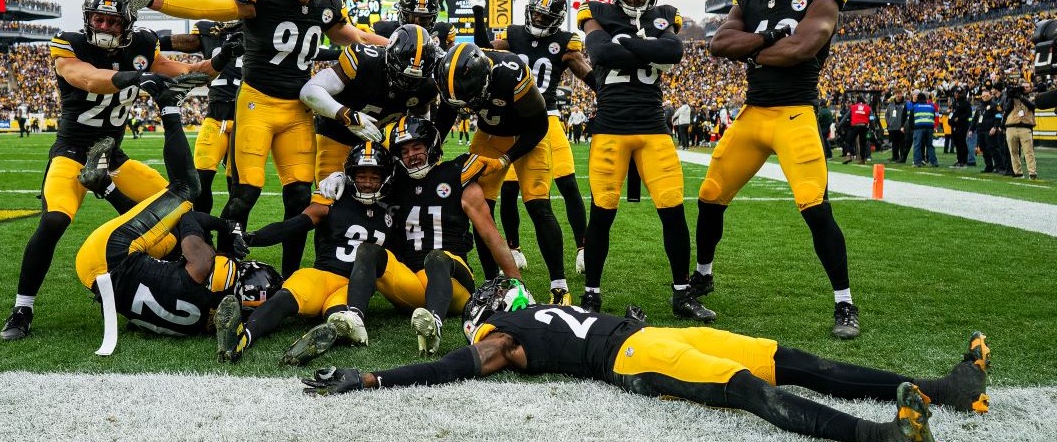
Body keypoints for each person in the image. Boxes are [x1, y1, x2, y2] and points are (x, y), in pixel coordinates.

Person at [302, 278, 990, 442]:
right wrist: (373, 378)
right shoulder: (502, 337)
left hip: (644, 334)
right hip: (631, 356)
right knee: (743, 385)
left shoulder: (520, 315)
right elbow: (455, 368)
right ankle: (884, 434)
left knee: (791, 357)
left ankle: (942, 388)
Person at [130, 0, 387, 277]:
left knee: (298, 197)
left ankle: (290, 275)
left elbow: (353, 36)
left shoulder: (326, 4)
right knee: (245, 192)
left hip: (298, 109)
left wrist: (402, 41)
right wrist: (156, 0)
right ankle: (223, 270)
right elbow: (213, 6)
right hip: (257, 104)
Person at [0, 0, 226, 341]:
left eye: (112, 22)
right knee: (56, 218)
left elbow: (184, 72)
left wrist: (221, 60)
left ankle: (180, 283)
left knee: (180, 207)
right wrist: (136, 76)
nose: (103, 27)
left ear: (128, 23)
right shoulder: (69, 43)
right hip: (73, 152)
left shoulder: (143, 45)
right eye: (98, 20)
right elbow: (86, 78)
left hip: (113, 154)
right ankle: (22, 308)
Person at [699, 0, 859, 338]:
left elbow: (803, 47)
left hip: (795, 114)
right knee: (710, 197)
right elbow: (718, 44)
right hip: (753, 115)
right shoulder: (745, 0)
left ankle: (844, 301)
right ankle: (702, 275)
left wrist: (749, 48)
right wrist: (766, 42)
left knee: (814, 205)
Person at [299, 117, 526, 362]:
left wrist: (516, 281)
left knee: (436, 257)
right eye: (404, 151)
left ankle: (434, 324)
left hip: (454, 285)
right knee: (368, 249)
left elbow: (491, 236)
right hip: (411, 282)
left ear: (432, 147)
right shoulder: (394, 183)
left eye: (417, 147)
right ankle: (355, 317)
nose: (411, 155)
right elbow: (365, 181)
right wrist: (341, 176)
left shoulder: (456, 177)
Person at [576, 0, 708, 322]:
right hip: (611, 128)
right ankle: (592, 294)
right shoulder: (595, 11)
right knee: (602, 213)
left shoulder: (665, 15)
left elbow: (674, 51)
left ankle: (682, 294)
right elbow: (600, 52)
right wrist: (648, 50)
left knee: (673, 211)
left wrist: (627, 44)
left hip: (653, 129)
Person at [73, 75, 253, 336]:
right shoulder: (198, 326)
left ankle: (169, 107)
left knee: (186, 191)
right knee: (166, 236)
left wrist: (227, 227)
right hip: (96, 281)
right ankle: (106, 187)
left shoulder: (202, 267)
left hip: (108, 252)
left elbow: (192, 221)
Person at [214, 142, 397, 364]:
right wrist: (253, 237)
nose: (367, 183)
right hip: (321, 275)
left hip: (353, 287)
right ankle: (240, 339)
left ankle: (306, 345)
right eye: (361, 176)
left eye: (374, 177)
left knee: (341, 321)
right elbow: (294, 225)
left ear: (386, 178)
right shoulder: (333, 198)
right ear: (350, 175)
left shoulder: (392, 211)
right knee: (283, 298)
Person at [473, 0, 594, 280]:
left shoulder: (566, 42)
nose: (539, 19)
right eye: (537, 13)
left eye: (546, 16)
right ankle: (513, 247)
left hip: (547, 117)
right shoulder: (514, 35)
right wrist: (478, 15)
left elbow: (585, 71)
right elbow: (484, 48)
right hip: (512, 118)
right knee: (511, 189)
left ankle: (583, 247)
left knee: (567, 183)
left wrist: (608, 91)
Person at [434, 43, 561, 303]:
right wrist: (433, 148)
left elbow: (539, 125)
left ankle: (559, 285)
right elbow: (445, 116)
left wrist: (506, 159)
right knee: (479, 208)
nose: (466, 105)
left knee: (538, 205)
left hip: (527, 136)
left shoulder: (510, 72)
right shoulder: (449, 78)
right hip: (489, 135)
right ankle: (492, 284)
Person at [300, 23, 441, 184]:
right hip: (336, 133)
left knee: (390, 192)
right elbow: (309, 90)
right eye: (401, 75)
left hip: (377, 138)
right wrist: (347, 115)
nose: (406, 83)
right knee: (330, 193)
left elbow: (421, 125)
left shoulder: (427, 86)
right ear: (388, 57)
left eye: (414, 80)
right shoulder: (365, 60)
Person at [157, 0, 247, 214]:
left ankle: (231, 238)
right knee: (201, 179)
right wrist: (153, 41)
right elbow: (185, 41)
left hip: (246, 119)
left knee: (237, 186)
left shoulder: (257, 32)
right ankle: (200, 234)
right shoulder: (208, 31)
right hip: (215, 117)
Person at [372, 0, 456, 51]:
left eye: (424, 19)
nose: (417, 23)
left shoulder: (444, 31)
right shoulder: (382, 30)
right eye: (412, 17)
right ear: (402, 14)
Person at [1002, 80, 1038, 179]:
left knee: (1028, 151)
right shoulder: (1013, 97)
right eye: (1023, 87)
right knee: (1013, 152)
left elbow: (1032, 106)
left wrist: (1020, 97)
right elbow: (1006, 108)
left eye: (1027, 87)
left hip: (1025, 127)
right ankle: (1018, 172)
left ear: (1031, 88)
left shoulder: (1034, 96)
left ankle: (1032, 172)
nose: (1025, 89)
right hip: (1011, 126)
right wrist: (1010, 96)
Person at [905, 91, 938, 168]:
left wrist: (913, 128)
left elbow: (910, 120)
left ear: (918, 99)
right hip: (929, 128)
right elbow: (933, 117)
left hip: (919, 128)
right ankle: (934, 162)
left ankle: (917, 162)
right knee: (930, 145)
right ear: (925, 99)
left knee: (917, 145)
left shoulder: (915, 107)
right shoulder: (931, 107)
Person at [843, 96, 871, 164]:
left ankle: (848, 155)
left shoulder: (853, 107)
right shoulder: (868, 107)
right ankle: (863, 159)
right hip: (864, 126)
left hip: (855, 126)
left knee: (848, 141)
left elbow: (846, 117)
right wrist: (872, 127)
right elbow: (872, 117)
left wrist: (840, 125)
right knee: (863, 144)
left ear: (856, 101)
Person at [948, 91, 972, 168]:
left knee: (962, 143)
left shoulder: (966, 103)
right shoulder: (955, 103)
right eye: (956, 93)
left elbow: (968, 114)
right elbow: (953, 113)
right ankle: (959, 160)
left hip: (962, 126)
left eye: (958, 93)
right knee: (957, 144)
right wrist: (951, 120)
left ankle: (964, 161)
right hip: (954, 126)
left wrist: (959, 119)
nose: (956, 94)